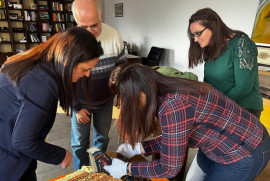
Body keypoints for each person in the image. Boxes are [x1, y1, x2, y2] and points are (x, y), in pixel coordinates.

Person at [103, 63, 270, 181]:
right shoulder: (164, 89)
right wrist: (140, 148)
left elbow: (169, 168)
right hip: (217, 143)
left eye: (125, 98)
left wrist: (126, 169)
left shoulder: (173, 106)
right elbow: (175, 137)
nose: (124, 104)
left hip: (246, 150)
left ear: (141, 93)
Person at [0, 27, 103, 181]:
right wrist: (61, 155)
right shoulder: (40, 83)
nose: (87, 74)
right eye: (85, 69)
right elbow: (23, 141)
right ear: (68, 61)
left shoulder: (40, 64)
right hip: (7, 158)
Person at [71, 0, 126, 171]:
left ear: (101, 17)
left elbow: (122, 69)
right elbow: (63, 79)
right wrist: (76, 107)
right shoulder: (70, 40)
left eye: (94, 25)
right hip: (80, 103)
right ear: (75, 21)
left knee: (102, 139)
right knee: (79, 143)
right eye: (83, 26)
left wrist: (121, 94)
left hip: (105, 101)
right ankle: (81, 174)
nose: (89, 32)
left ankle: (97, 172)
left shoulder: (114, 35)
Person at [187, 8, 263, 119]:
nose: (195, 39)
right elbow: (211, 83)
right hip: (221, 106)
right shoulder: (212, 47)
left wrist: (217, 105)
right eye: (193, 35)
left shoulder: (241, 44)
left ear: (214, 26)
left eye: (198, 33)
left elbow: (243, 87)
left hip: (244, 109)